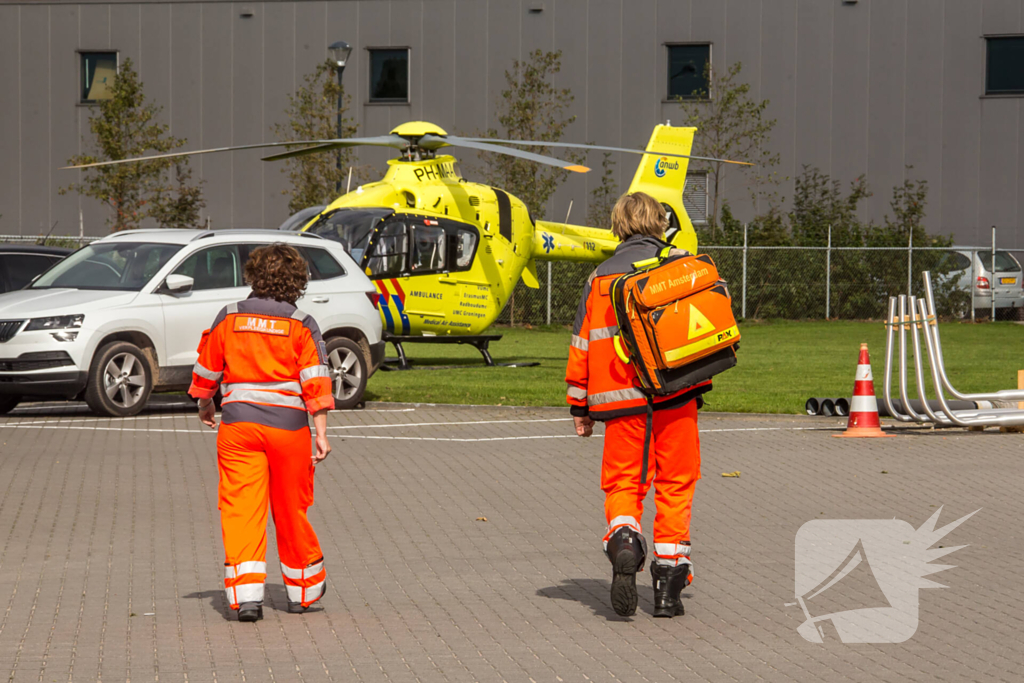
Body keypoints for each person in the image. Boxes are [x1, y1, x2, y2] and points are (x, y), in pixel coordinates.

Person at [566, 192, 710, 618]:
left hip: (621, 402)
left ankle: (625, 539)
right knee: (676, 484)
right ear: (660, 223)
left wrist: (580, 406)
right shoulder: (680, 265)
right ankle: (668, 588)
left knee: (624, 484)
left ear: (618, 226)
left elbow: (581, 345)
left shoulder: (599, 279)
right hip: (676, 394)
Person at [190, 244, 335, 622]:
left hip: (238, 428)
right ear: (297, 280)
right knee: (290, 509)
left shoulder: (229, 316)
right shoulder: (302, 323)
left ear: (254, 275)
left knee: (240, 509)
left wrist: (204, 404)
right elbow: (316, 381)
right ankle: (302, 592)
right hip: (289, 431)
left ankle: (247, 598)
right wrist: (321, 433)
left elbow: (207, 367)